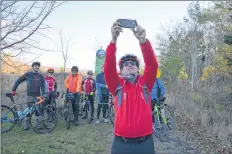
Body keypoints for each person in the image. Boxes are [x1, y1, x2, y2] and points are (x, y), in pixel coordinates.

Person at [104, 19, 158, 154]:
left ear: (137, 68)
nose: (129, 65)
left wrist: (143, 41)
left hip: (145, 142)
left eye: (133, 63)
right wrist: (113, 41)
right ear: (120, 70)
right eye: (125, 64)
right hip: (121, 143)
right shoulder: (117, 85)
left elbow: (152, 65)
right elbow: (108, 69)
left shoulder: (145, 83)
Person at [12, 61, 46, 130]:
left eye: (38, 66)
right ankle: (26, 125)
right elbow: (18, 80)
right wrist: (14, 89)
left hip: (38, 95)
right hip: (30, 95)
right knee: (29, 110)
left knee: (38, 110)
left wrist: (44, 93)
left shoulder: (41, 76)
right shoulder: (28, 74)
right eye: (35, 65)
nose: (37, 67)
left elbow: (43, 86)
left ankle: (38, 124)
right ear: (33, 66)